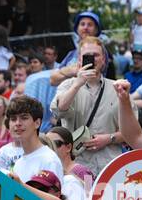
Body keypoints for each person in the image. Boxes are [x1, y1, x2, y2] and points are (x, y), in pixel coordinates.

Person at [51, 37, 123, 176]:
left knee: (104, 198)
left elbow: (131, 132)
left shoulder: (117, 88)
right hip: (77, 166)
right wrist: (77, 84)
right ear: (79, 59)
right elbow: (59, 110)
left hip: (109, 165)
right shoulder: (67, 85)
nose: (92, 59)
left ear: (103, 60)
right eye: (87, 56)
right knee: (80, 197)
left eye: (96, 55)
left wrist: (109, 138)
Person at [0, 95, 63, 184]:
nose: (18, 123)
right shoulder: (18, 164)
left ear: (37, 123)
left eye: (24, 118)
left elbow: (54, 196)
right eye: (13, 119)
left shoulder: (49, 159)